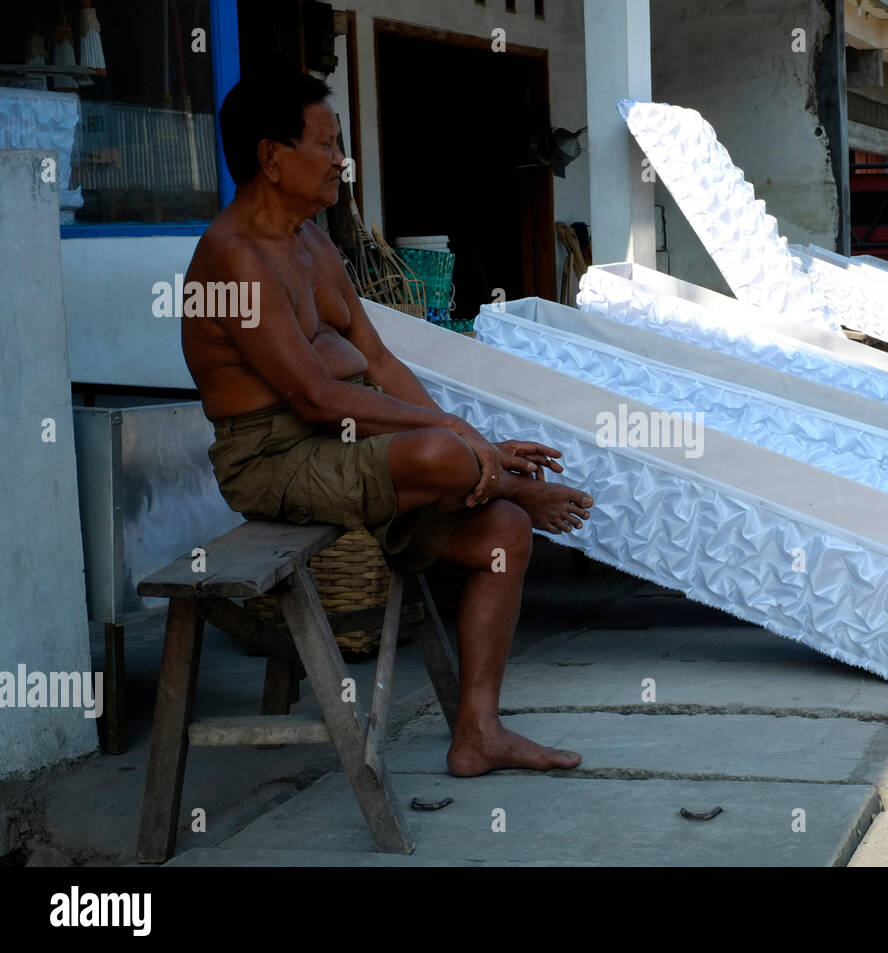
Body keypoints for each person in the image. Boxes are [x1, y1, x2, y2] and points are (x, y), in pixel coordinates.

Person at [182, 72, 591, 776]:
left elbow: (376, 358)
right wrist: (467, 440)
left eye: (340, 142)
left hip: (349, 447)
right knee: (444, 454)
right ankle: (514, 483)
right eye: (326, 143)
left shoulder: (314, 244)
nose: (340, 158)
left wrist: (459, 435)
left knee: (502, 534)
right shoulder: (233, 260)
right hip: (274, 458)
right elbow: (312, 397)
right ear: (271, 158)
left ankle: (478, 733)